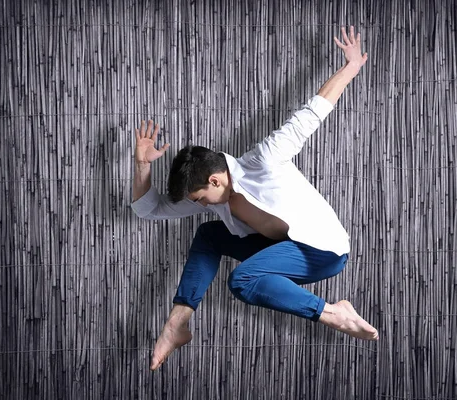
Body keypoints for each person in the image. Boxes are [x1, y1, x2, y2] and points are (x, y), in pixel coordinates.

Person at [131, 26, 378, 371]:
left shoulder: (265, 159)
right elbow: (149, 209)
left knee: (243, 280)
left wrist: (351, 66)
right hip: (281, 250)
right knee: (209, 235)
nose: (201, 205)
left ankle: (333, 312)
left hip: (323, 252)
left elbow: (311, 114)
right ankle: (177, 323)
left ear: (215, 179)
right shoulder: (215, 196)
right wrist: (142, 164)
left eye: (201, 198)